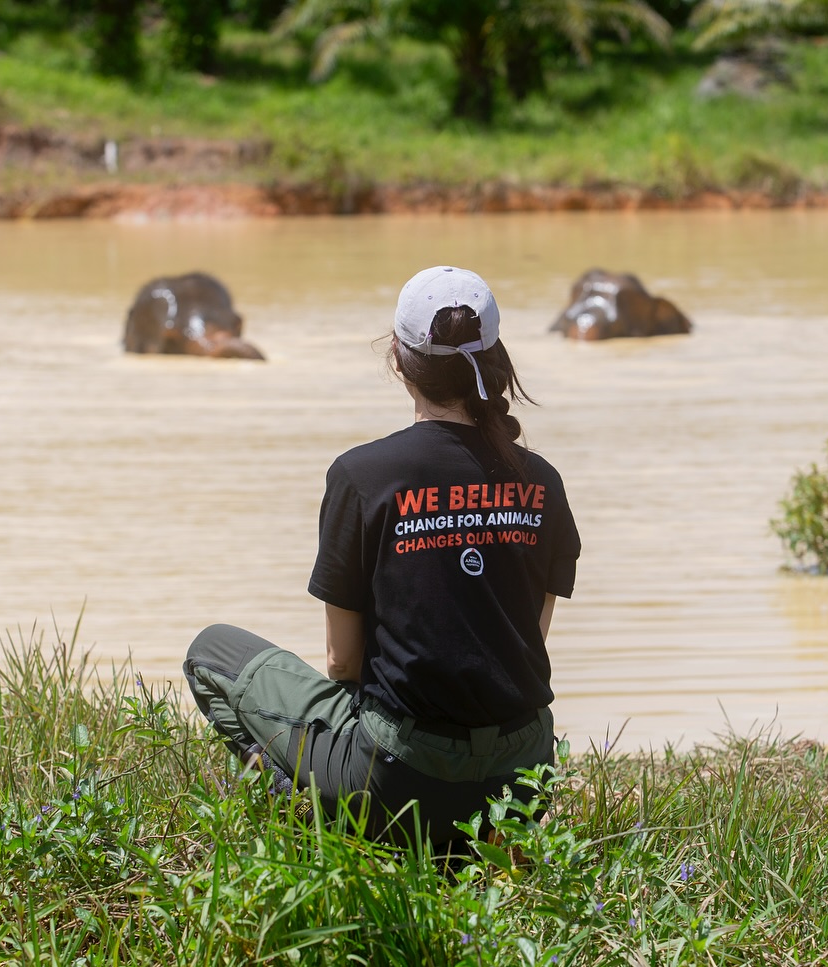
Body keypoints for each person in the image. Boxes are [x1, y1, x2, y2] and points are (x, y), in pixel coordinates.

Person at [183, 265, 581, 846]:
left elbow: (342, 663)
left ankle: (297, 801)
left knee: (209, 651)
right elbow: (529, 639)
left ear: (399, 357)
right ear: (495, 359)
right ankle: (472, 841)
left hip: (401, 785)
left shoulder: (362, 476)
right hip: (520, 786)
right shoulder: (541, 481)